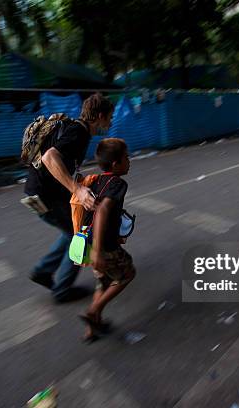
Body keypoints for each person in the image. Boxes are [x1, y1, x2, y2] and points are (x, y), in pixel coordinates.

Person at [25, 93, 114, 302]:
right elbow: (49, 157)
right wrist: (77, 189)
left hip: (37, 193)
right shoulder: (78, 132)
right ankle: (62, 289)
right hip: (46, 196)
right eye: (109, 118)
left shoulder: (75, 128)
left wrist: (80, 186)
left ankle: (42, 271)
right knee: (82, 236)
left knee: (70, 232)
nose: (110, 122)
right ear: (100, 116)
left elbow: (61, 164)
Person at [79, 138, 136, 342]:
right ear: (115, 164)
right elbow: (102, 209)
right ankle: (94, 310)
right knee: (127, 273)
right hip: (103, 245)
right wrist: (97, 249)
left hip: (89, 240)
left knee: (103, 281)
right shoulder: (119, 184)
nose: (129, 161)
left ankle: (92, 329)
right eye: (126, 157)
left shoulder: (96, 180)